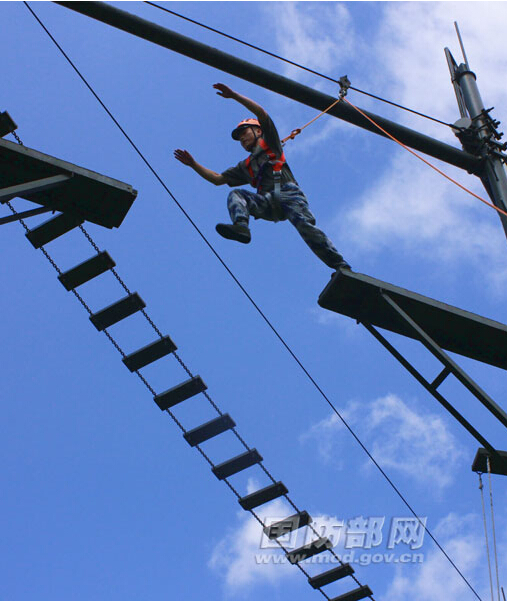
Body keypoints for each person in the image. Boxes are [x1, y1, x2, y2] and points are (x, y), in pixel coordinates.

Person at [174, 83, 350, 270]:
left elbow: (262, 113)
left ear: (258, 131)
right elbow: (217, 179)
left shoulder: (270, 142)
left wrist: (234, 95)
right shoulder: (245, 166)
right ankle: (241, 226)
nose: (242, 139)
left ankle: (340, 265)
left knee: (306, 228)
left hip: (289, 194)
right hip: (267, 202)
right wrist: (193, 165)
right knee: (236, 195)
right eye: (239, 137)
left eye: (245, 133)